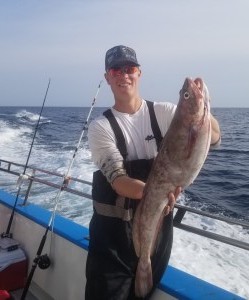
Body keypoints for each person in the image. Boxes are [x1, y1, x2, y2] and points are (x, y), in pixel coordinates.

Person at [86, 45, 221, 300]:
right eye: (116, 70)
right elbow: (118, 180)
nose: (123, 75)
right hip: (111, 243)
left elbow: (213, 137)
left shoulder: (165, 112)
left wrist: (203, 105)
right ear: (107, 77)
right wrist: (156, 194)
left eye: (129, 69)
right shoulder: (100, 126)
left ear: (139, 73)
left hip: (158, 236)